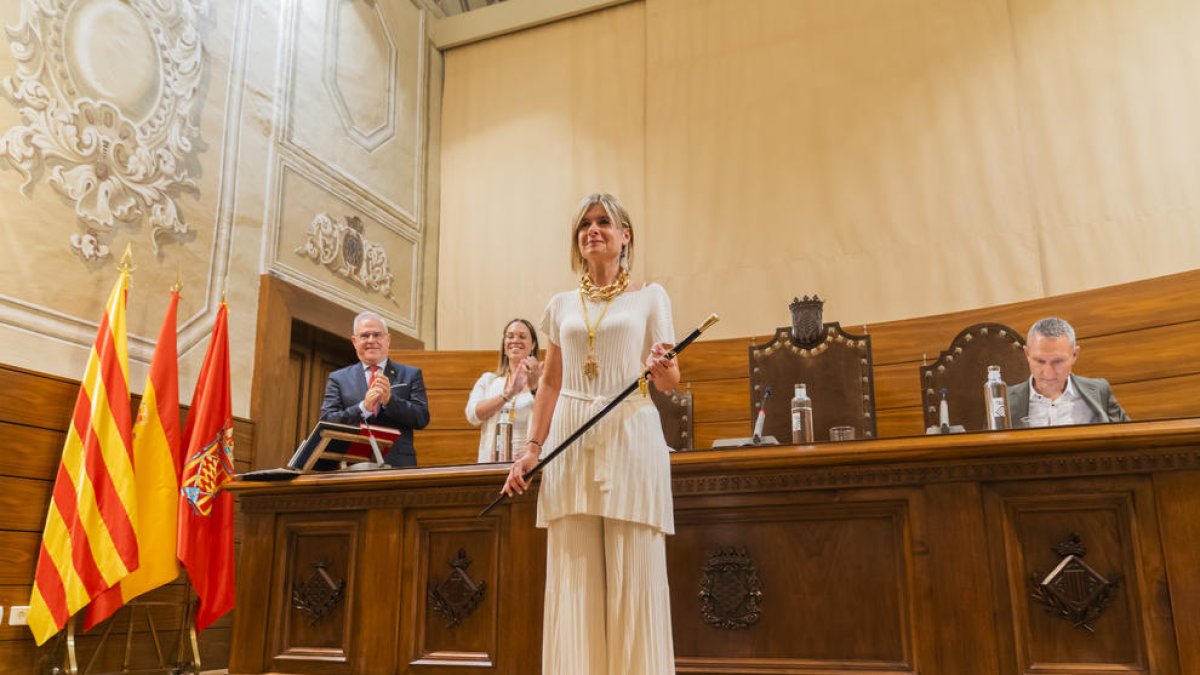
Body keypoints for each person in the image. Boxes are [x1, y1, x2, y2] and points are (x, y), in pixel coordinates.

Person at [503, 193, 679, 674]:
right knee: (574, 576)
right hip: (571, 438)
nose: (593, 230)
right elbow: (552, 383)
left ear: (626, 236)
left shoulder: (651, 296)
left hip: (632, 433)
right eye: (585, 223)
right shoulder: (560, 304)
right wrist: (531, 449)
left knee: (634, 573)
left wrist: (658, 366)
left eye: (605, 222)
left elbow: (670, 380)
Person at [320, 311, 430, 467]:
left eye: (377, 335)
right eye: (365, 336)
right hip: (352, 465)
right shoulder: (338, 378)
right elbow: (328, 421)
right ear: (354, 341)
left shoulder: (411, 374)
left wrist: (390, 401)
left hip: (399, 465)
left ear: (388, 340)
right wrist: (363, 407)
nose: (371, 340)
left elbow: (422, 418)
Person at [1007, 317, 1130, 426]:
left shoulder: (1099, 391)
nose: (1049, 373)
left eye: (1058, 361)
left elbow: (1129, 437)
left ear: (1074, 355)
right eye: (1040, 361)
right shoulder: (1004, 400)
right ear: (1027, 354)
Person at [465, 318, 542, 463]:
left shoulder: (544, 382)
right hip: (493, 463)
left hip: (531, 464)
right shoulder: (488, 381)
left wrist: (535, 388)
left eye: (522, 336)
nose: (515, 340)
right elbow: (473, 415)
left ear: (533, 345)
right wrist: (508, 394)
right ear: (505, 346)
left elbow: (553, 417)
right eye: (510, 336)